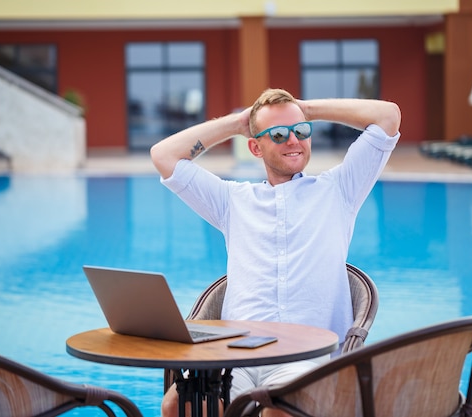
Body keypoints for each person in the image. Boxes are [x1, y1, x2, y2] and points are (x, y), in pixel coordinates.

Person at [150, 88, 401, 417]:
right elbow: (163, 155)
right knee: (177, 404)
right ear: (255, 146)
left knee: (279, 409)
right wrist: (238, 123)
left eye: (300, 131)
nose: (294, 141)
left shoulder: (340, 190)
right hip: (238, 356)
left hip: (306, 359)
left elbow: (388, 117)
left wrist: (305, 109)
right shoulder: (232, 201)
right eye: (279, 134)